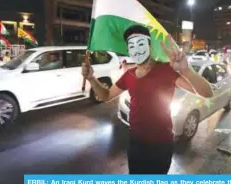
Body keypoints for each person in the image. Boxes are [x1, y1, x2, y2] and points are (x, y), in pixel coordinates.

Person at [81, 25, 213, 174]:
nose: (136, 49)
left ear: (150, 46)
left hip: (161, 145)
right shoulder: (129, 75)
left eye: (141, 44)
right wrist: (91, 78)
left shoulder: (166, 70)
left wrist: (186, 70)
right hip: (136, 143)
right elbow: (105, 96)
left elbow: (207, 93)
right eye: (131, 46)